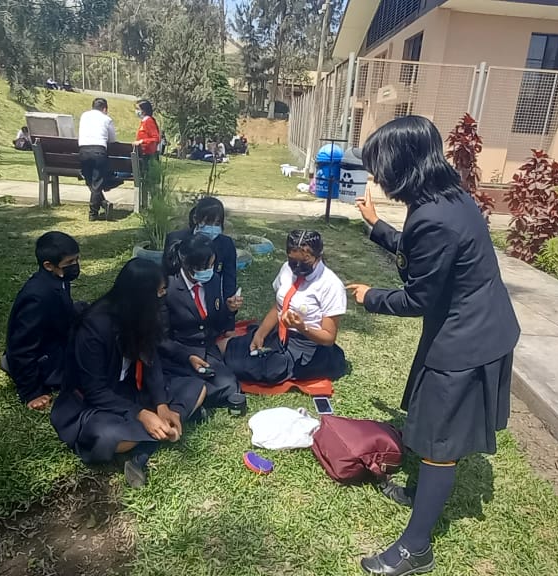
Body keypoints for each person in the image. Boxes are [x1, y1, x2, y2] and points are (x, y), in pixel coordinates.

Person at [346, 116, 521, 576]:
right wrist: (377, 226)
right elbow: (425, 256)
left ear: (401, 164)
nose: (376, 176)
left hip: (468, 339)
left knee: (439, 440)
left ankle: (416, 549)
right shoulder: (447, 197)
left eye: (379, 165)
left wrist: (371, 297)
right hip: (471, 325)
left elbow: (418, 298)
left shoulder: (433, 217)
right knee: (430, 425)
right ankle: (422, 494)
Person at [50, 258, 208, 487]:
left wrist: (162, 405)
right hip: (95, 404)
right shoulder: (94, 327)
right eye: (160, 291)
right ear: (141, 295)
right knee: (107, 435)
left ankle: (156, 433)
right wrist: (142, 414)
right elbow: (95, 391)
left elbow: (151, 360)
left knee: (197, 387)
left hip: (132, 390)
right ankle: (157, 435)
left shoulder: (143, 315)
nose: (164, 296)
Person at [221, 230, 347, 384]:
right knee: (227, 347)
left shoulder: (330, 285)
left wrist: (302, 327)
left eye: (305, 260)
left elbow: (328, 338)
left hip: (307, 346)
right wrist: (261, 334)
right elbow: (279, 306)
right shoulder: (287, 269)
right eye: (293, 260)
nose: (297, 266)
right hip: (280, 334)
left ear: (318, 256)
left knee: (241, 366)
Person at [159, 234, 246, 413]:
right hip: (178, 353)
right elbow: (161, 338)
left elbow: (216, 323)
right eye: (204, 267)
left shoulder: (212, 281)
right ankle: (189, 395)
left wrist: (229, 310)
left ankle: (192, 398)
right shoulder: (169, 288)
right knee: (189, 383)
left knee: (230, 385)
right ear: (187, 265)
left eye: (212, 265)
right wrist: (187, 357)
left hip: (206, 349)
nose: (209, 270)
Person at [5, 232, 83, 411]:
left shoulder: (59, 278)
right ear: (48, 265)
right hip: (47, 359)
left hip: (57, 340)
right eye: (69, 262)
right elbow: (22, 346)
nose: (75, 266)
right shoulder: (38, 297)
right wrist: (31, 392)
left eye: (77, 259)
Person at [164, 197, 238, 334]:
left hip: (209, 303)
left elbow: (229, 281)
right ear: (196, 219)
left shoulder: (226, 245)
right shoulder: (177, 240)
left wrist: (229, 323)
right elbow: (167, 275)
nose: (212, 228)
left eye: (217, 223)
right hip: (182, 305)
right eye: (208, 222)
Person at [77, 98, 122, 221]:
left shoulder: (84, 116)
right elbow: (112, 140)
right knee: (96, 183)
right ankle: (93, 213)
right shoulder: (106, 119)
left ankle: (104, 204)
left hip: (83, 151)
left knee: (91, 182)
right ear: (105, 109)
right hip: (98, 152)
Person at [133, 100, 161, 164]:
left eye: (138, 109)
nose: (136, 111)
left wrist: (142, 141)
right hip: (142, 153)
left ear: (144, 111)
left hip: (148, 155)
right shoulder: (144, 121)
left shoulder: (149, 121)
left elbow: (156, 138)